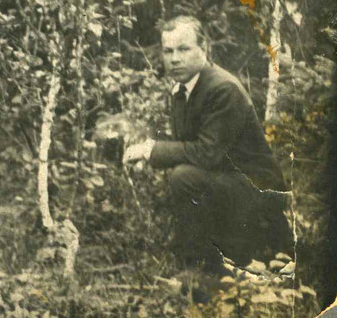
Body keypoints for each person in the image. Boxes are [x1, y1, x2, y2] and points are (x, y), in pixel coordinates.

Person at [123, 15, 291, 280]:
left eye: (183, 49)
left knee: (183, 177)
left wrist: (151, 150)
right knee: (183, 174)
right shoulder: (183, 88)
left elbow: (206, 153)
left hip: (258, 198)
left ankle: (201, 267)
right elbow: (192, 147)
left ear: (204, 48)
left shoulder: (223, 89)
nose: (174, 59)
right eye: (168, 51)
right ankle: (208, 260)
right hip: (229, 186)